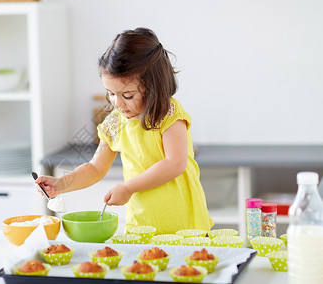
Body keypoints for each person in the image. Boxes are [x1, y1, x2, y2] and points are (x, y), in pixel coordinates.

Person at [35, 27, 213, 234]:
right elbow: (95, 168)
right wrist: (61, 184)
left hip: (185, 225)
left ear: (153, 87)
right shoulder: (115, 123)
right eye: (110, 93)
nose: (117, 103)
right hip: (141, 225)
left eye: (127, 95)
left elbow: (174, 163)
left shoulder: (168, 114)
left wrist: (128, 188)